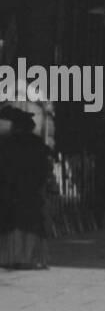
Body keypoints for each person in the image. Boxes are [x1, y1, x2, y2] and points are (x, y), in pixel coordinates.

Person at [0, 107, 51, 269]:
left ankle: (11, 257)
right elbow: (44, 168)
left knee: (12, 222)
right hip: (31, 189)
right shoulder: (37, 144)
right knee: (30, 222)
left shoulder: (6, 143)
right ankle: (29, 257)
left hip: (11, 188)